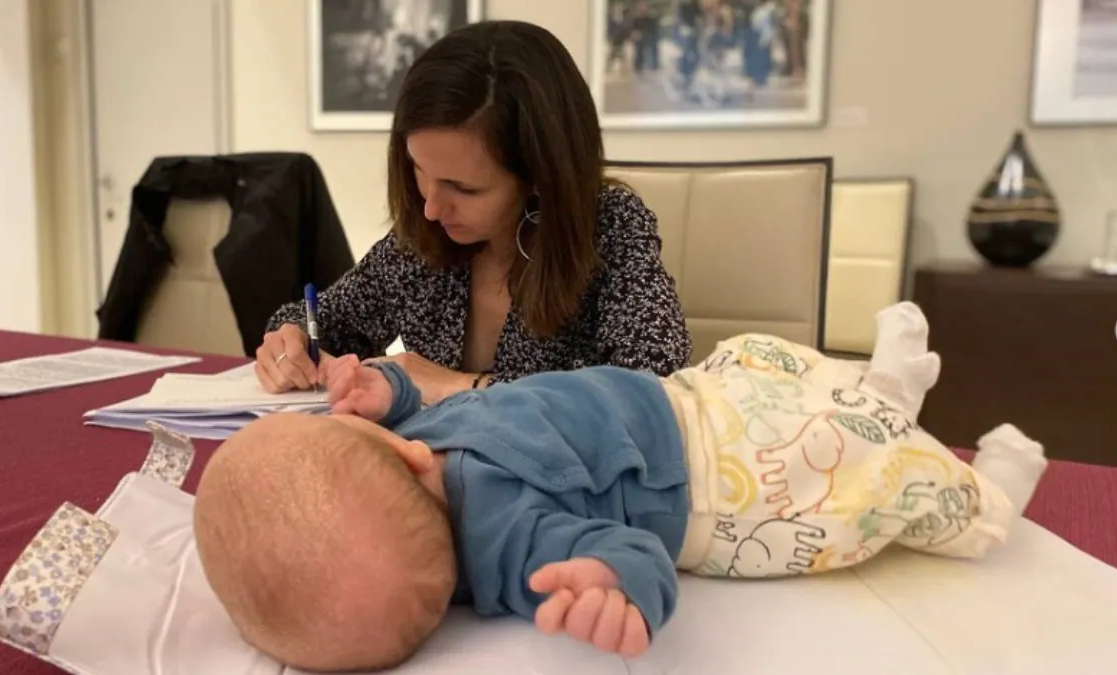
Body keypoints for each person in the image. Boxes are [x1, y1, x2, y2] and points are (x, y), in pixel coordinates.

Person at [196, 303, 1048, 669]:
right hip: (731, 482)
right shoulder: (510, 545)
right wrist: (610, 587)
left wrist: (398, 389)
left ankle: (889, 395)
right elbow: (631, 551)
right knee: (873, 479)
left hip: (686, 399)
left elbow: (438, 404)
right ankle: (995, 484)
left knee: (813, 389)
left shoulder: (406, 447)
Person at [255, 20, 692, 404]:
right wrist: (289, 343)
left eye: (463, 188)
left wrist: (453, 385)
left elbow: (650, 389)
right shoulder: (421, 242)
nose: (430, 207)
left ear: (541, 177)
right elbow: (323, 319)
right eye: (419, 170)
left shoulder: (611, 225)